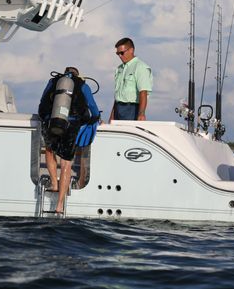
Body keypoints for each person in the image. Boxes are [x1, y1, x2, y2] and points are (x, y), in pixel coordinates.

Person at [38, 67, 100, 214]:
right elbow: (92, 107)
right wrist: (96, 118)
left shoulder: (53, 82)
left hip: (52, 121)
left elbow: (43, 101)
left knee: (49, 149)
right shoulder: (82, 85)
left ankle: (54, 183)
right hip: (71, 124)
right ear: (78, 75)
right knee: (66, 164)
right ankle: (59, 206)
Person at [109, 37, 153, 121]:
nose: (120, 56)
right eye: (117, 54)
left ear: (131, 50)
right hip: (118, 109)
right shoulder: (119, 69)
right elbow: (118, 96)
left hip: (132, 109)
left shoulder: (140, 67)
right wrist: (112, 116)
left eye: (122, 53)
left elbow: (143, 92)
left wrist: (141, 114)